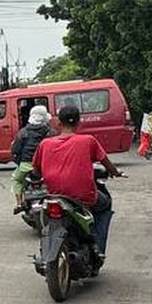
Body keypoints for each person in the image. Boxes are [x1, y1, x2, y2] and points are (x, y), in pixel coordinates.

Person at [35, 103, 121, 259]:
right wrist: (115, 172)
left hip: (54, 195)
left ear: (59, 123)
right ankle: (98, 249)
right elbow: (106, 163)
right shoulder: (88, 141)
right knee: (105, 204)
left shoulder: (45, 144)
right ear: (78, 122)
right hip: (83, 197)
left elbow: (36, 170)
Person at [10, 105, 53, 209]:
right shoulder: (50, 132)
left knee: (17, 180)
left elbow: (15, 150)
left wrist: (20, 163)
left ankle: (19, 203)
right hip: (44, 167)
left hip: (25, 166)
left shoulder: (23, 132)